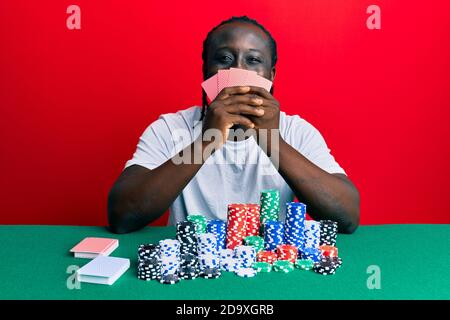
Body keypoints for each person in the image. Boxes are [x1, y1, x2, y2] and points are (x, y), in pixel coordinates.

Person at [107, 16, 360, 234]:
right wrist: (207, 141)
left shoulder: (297, 132)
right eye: (225, 58)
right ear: (206, 72)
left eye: (252, 60)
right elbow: (122, 215)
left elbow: (346, 216)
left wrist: (271, 142)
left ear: (271, 76)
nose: (238, 70)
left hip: (267, 271)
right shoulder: (169, 129)